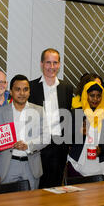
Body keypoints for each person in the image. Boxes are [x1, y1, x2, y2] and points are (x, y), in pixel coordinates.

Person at [0, 74, 48, 190]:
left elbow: (46, 137)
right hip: (8, 166)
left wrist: (28, 146)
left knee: (31, 205)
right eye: (18, 89)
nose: (22, 93)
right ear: (11, 92)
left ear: (29, 92)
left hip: (31, 166)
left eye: (25, 89)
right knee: (7, 204)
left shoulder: (39, 111)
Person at [28, 48, 74, 188]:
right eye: (48, 62)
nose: (52, 67)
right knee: (38, 185)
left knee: (56, 185)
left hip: (60, 146)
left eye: (55, 63)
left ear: (59, 65)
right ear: (42, 64)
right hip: (39, 145)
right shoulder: (31, 87)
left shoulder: (66, 87)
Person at [67, 81, 104, 177]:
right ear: (85, 96)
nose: (95, 99)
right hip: (78, 161)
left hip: (99, 162)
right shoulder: (76, 113)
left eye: (99, 96)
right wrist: (79, 133)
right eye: (92, 95)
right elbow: (67, 139)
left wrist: (101, 149)